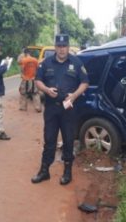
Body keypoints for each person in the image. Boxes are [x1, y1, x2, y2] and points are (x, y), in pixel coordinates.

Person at [31, 34, 89, 185]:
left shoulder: (76, 62)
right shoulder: (46, 63)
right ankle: (44, 171)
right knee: (49, 139)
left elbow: (85, 83)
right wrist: (46, 89)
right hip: (51, 108)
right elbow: (38, 81)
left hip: (68, 109)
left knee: (68, 140)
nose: (62, 49)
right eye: (59, 46)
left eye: (64, 46)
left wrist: (74, 95)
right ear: (55, 47)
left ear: (68, 47)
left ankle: (67, 172)